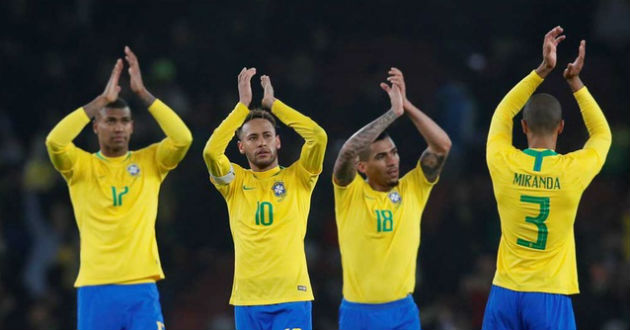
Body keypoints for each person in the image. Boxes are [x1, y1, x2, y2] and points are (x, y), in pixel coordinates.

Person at [45, 46, 193, 330]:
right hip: (96, 287)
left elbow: (182, 139)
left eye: (124, 121)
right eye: (110, 120)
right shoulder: (80, 166)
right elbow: (55, 142)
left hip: (141, 287)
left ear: (132, 128)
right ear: (95, 127)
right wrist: (100, 101)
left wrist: (143, 94)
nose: (118, 127)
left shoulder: (150, 162)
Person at [482, 26, 612, 330]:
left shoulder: (502, 161)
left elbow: (501, 114)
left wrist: (541, 71)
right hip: (549, 294)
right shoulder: (571, 171)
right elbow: (602, 134)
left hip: (505, 291)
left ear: (523, 127)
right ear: (562, 127)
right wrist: (575, 82)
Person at [203, 68, 327, 330]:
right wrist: (241, 107)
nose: (261, 143)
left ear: (278, 142)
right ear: (241, 146)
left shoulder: (300, 176)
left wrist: (274, 105)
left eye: (267, 136)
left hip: (292, 295)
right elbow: (211, 152)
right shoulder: (234, 182)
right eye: (253, 137)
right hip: (248, 299)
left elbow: (318, 137)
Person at [332, 68, 452, 330]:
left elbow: (442, 146)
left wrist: (407, 106)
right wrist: (392, 114)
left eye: (394, 153)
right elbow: (348, 151)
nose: (392, 161)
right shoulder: (350, 193)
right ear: (362, 167)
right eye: (381, 156)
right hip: (359, 314)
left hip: (402, 311)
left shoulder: (413, 188)